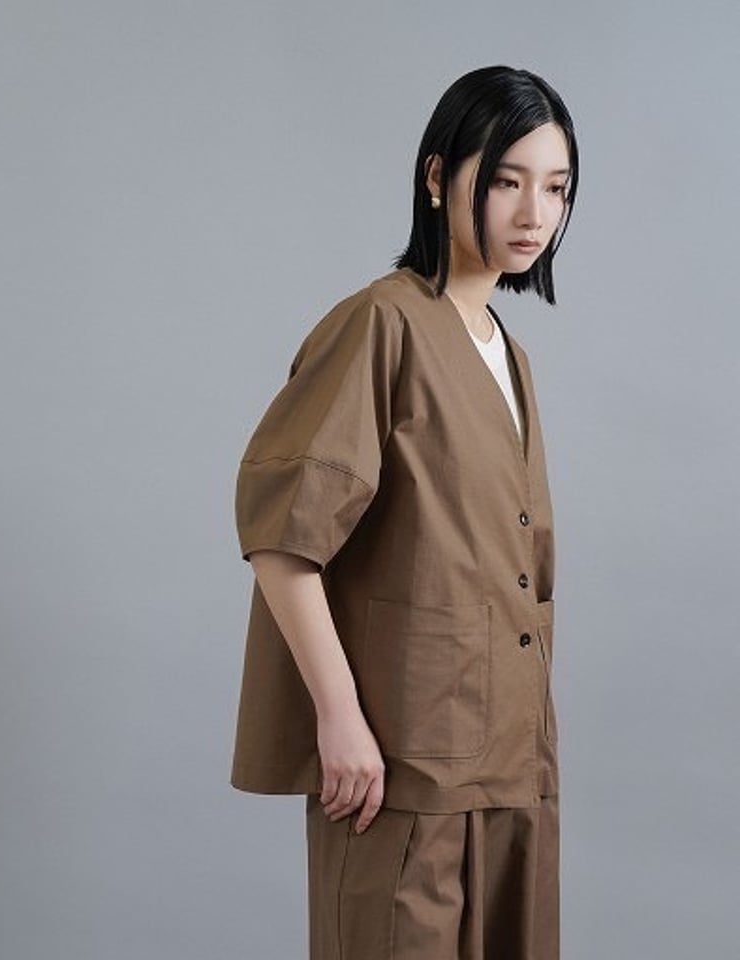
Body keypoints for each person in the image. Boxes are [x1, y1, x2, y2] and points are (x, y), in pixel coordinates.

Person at [230, 65, 579, 960]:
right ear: (437, 177)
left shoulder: (509, 355)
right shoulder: (380, 326)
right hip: (401, 762)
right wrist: (339, 717)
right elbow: (283, 536)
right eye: (505, 181)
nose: (533, 214)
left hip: (510, 759)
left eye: (555, 187)